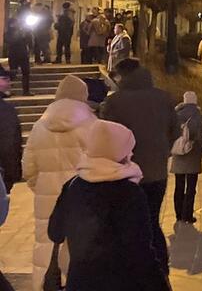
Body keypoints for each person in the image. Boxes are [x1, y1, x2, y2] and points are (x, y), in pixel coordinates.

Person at [48, 120, 171, 290]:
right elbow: (140, 252)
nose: (131, 154)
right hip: (121, 282)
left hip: (80, 282)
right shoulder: (130, 193)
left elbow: (55, 232)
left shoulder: (73, 185)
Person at [100, 61, 180, 272]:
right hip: (157, 173)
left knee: (129, 224)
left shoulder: (115, 102)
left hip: (127, 174)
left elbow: (106, 136)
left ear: (123, 76)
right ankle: (160, 266)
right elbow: (176, 131)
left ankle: (136, 269)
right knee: (152, 220)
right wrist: (163, 150)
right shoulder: (163, 97)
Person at [22, 74, 96, 290]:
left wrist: (43, 187)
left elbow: (29, 169)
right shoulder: (92, 125)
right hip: (81, 198)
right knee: (77, 250)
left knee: (46, 246)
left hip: (47, 197)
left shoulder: (39, 126)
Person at [170, 91, 202, 224]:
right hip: (193, 154)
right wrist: (201, 150)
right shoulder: (197, 115)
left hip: (178, 154)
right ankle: (187, 215)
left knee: (179, 186)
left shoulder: (175, 114)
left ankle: (178, 214)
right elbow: (201, 136)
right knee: (191, 187)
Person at [0, 71, 21, 192]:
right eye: (4, 79)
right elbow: (9, 144)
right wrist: (11, 174)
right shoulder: (5, 110)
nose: (9, 83)